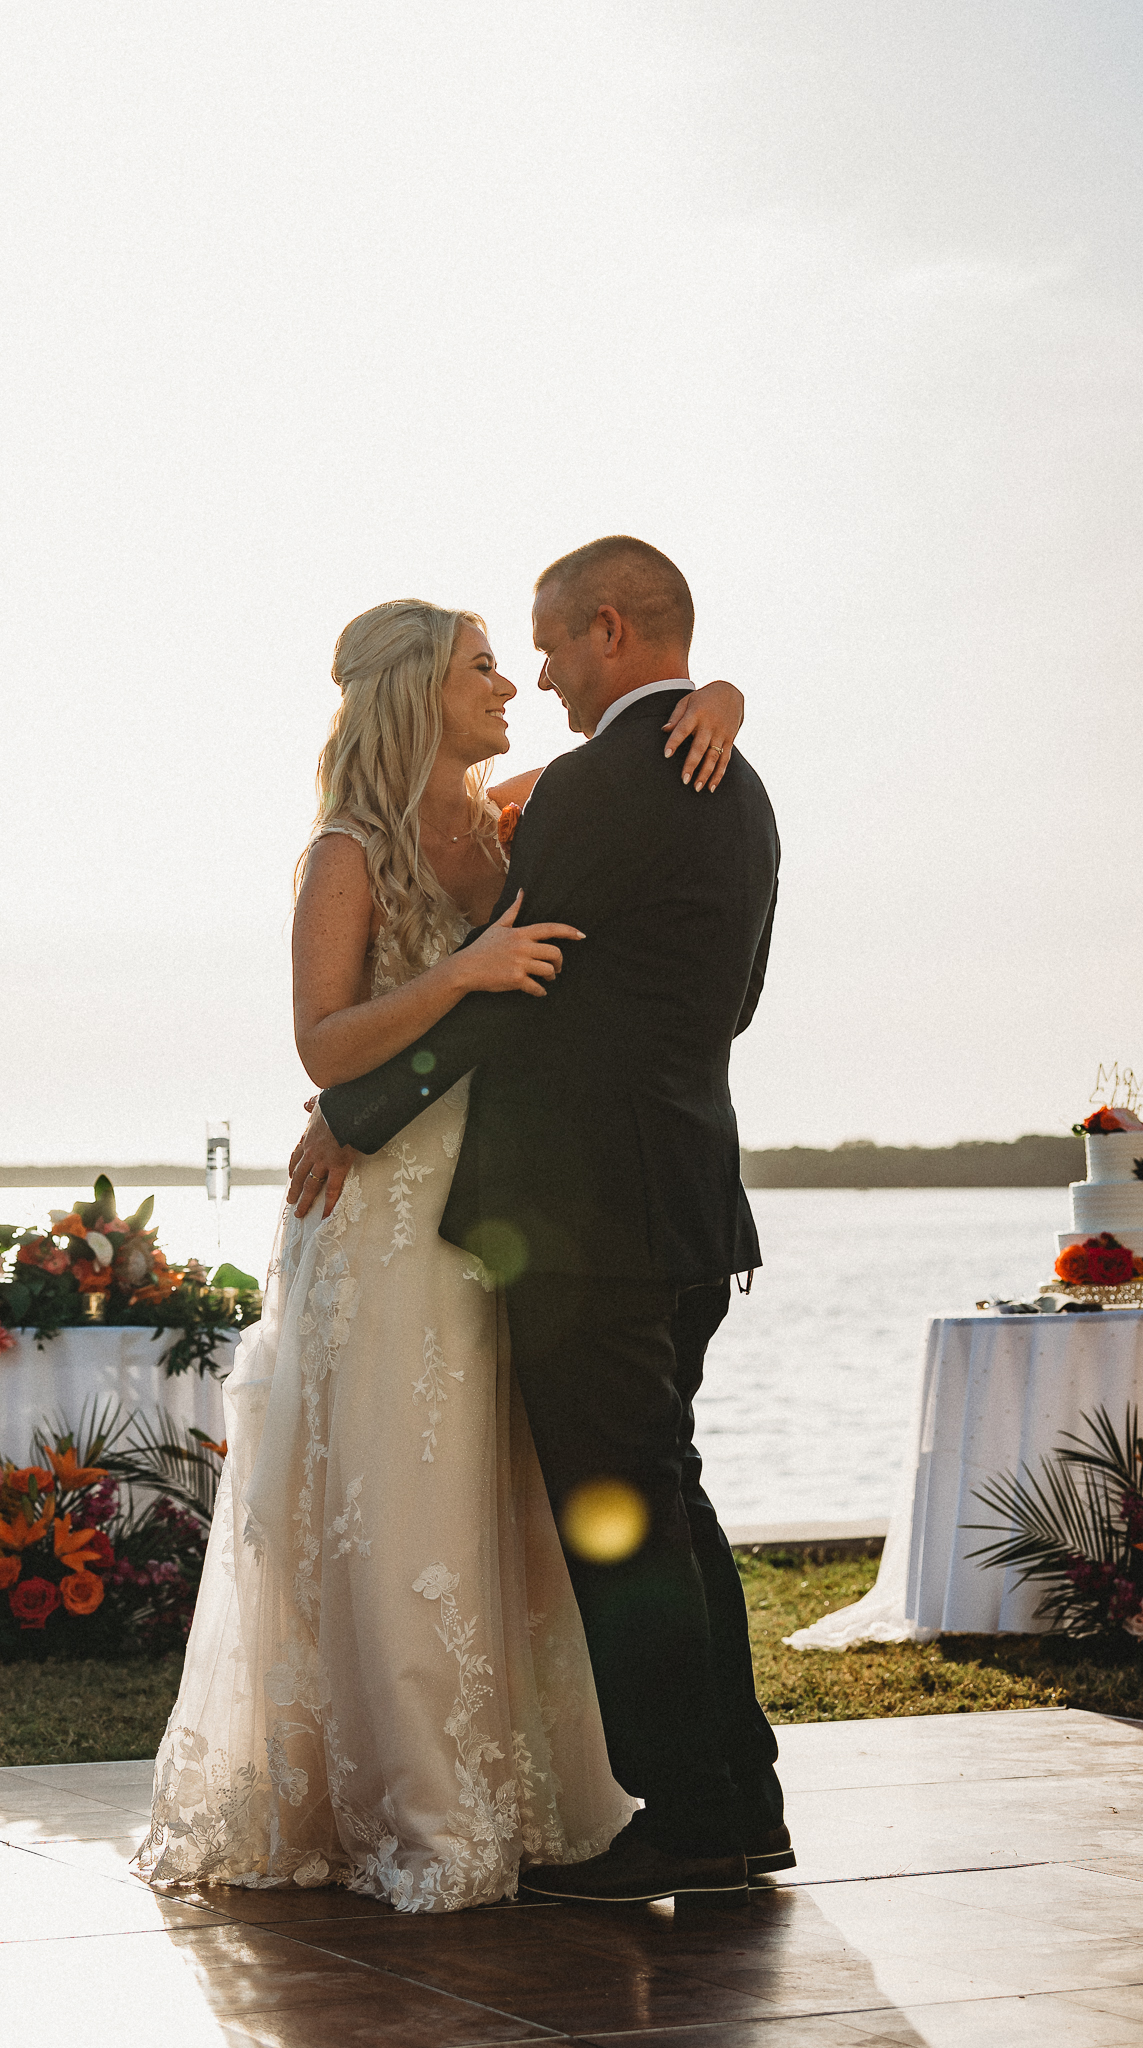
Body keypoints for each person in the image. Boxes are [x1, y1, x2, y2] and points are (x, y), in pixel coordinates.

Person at [133, 586, 746, 1911]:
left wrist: (720, 700)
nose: (510, 688)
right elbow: (324, 1041)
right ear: (422, 689)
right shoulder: (346, 850)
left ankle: (528, 1786)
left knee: (504, 1500)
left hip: (507, 1206)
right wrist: (458, 978)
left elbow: (638, 756)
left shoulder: (504, 815)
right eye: (482, 669)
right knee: (400, 1493)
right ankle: (412, 1793)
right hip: (387, 1207)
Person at [297, 536, 788, 1904]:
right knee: (674, 1503)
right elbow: (724, 999)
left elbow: (511, 990)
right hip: (690, 1204)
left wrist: (354, 1115)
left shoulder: (594, 787)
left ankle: (694, 1815)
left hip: (586, 1221)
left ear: (613, 631)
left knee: (622, 1523)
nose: (544, 674)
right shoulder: (735, 785)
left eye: (555, 645)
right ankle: (740, 1801)